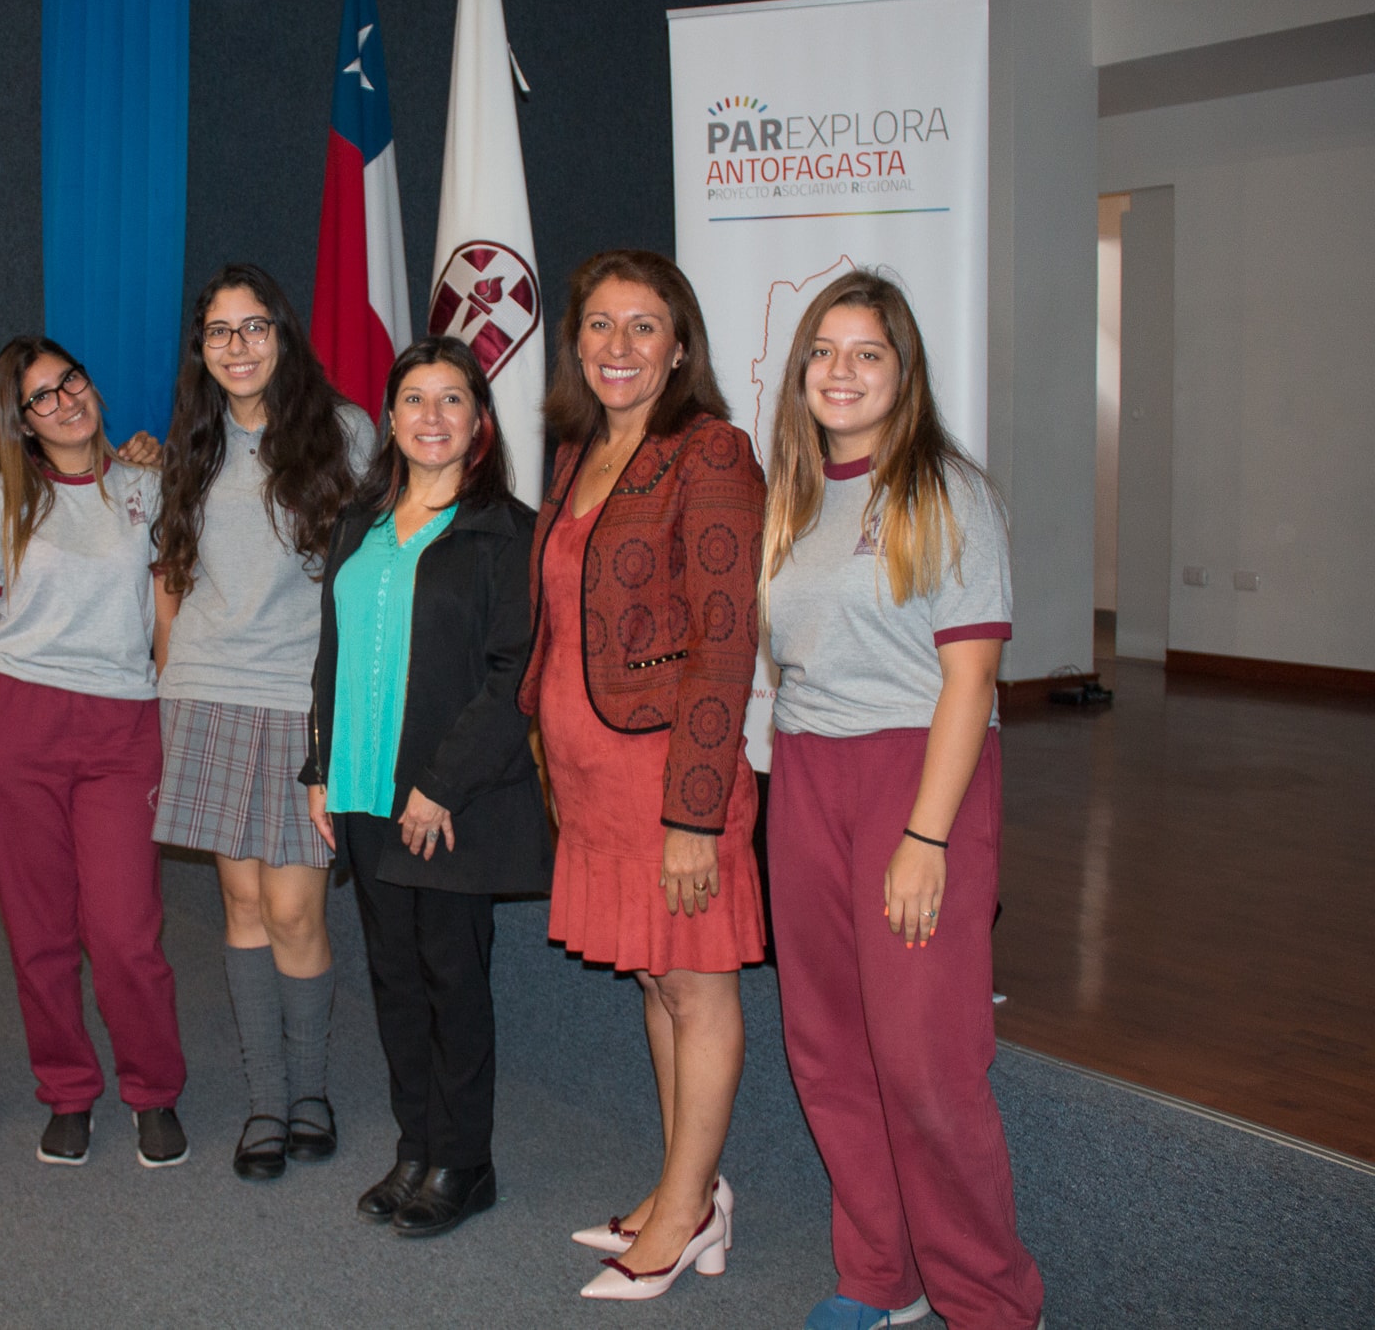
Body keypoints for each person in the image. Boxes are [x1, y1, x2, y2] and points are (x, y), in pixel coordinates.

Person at [761, 270, 1044, 1330]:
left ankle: (989, 1300)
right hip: (803, 776)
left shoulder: (944, 491)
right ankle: (882, 1276)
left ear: (902, 372)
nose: (840, 372)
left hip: (918, 778)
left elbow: (969, 679)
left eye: (865, 353)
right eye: (822, 352)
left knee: (925, 1062)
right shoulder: (790, 493)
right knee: (827, 1044)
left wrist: (925, 835)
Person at [517, 250, 767, 1299]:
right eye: (600, 326)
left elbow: (721, 641)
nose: (617, 346)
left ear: (677, 348)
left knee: (694, 985)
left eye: (642, 327)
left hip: (669, 773)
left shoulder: (708, 452)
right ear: (575, 341)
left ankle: (687, 1208)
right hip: (586, 775)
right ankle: (682, 1185)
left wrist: (692, 815)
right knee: (654, 979)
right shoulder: (576, 450)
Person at [303, 337, 550, 1237]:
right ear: (391, 418)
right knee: (394, 976)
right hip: (364, 794)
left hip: (446, 800)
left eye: (453, 399)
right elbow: (330, 656)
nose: (433, 417)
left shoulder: (506, 532)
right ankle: (416, 1145)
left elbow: (512, 673)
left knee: (453, 977)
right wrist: (319, 766)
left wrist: (442, 784)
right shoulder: (356, 524)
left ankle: (465, 1159)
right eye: (415, 399)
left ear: (479, 420)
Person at [0, 336, 188, 1168]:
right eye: (40, 396)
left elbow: (165, 617)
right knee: (39, 930)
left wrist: (175, 720)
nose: (63, 401)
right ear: (21, 420)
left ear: (93, 384)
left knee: (123, 931)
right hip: (16, 726)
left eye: (70, 380)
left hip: (123, 725)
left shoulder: (149, 488)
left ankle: (152, 1089)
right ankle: (68, 1089)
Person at [150, 264, 375, 1179]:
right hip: (204, 692)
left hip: (299, 698)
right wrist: (168, 686)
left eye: (253, 328)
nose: (236, 347)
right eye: (218, 332)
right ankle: (265, 1102)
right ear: (200, 349)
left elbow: (369, 574)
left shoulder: (345, 432)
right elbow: (171, 572)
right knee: (240, 905)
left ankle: (312, 1086)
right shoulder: (188, 445)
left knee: (294, 908)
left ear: (284, 334)